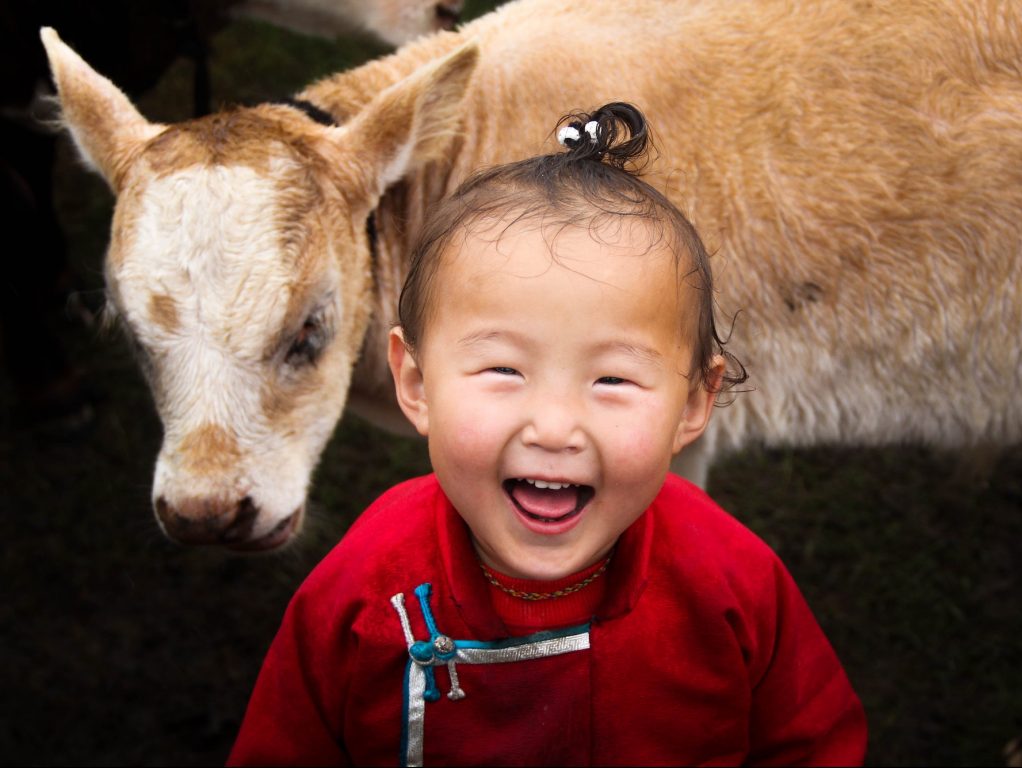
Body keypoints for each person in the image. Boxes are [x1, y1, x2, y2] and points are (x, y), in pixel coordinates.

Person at [228, 103, 867, 766]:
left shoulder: (730, 578)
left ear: (692, 404)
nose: (556, 427)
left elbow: (814, 743)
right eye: (504, 369)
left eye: (613, 380)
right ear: (417, 385)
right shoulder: (364, 587)